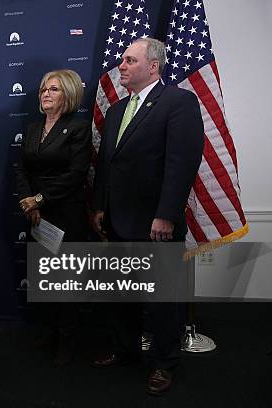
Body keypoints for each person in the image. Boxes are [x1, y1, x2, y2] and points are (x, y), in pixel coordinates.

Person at [91, 38, 204, 395]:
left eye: (129, 61)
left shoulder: (179, 103)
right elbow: (108, 165)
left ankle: (163, 363)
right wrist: (99, 207)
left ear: (152, 66)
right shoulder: (115, 111)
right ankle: (125, 350)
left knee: (162, 301)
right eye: (122, 60)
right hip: (117, 220)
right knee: (122, 295)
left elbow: (181, 163)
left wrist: (167, 214)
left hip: (156, 223)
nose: (121, 66)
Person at [15, 69, 91, 365]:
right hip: (36, 215)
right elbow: (21, 168)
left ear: (69, 95)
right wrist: (31, 204)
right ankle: (51, 331)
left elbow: (76, 174)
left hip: (66, 213)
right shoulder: (32, 129)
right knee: (45, 277)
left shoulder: (78, 128)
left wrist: (40, 199)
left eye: (54, 89)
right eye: (43, 89)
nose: (45, 93)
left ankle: (68, 340)